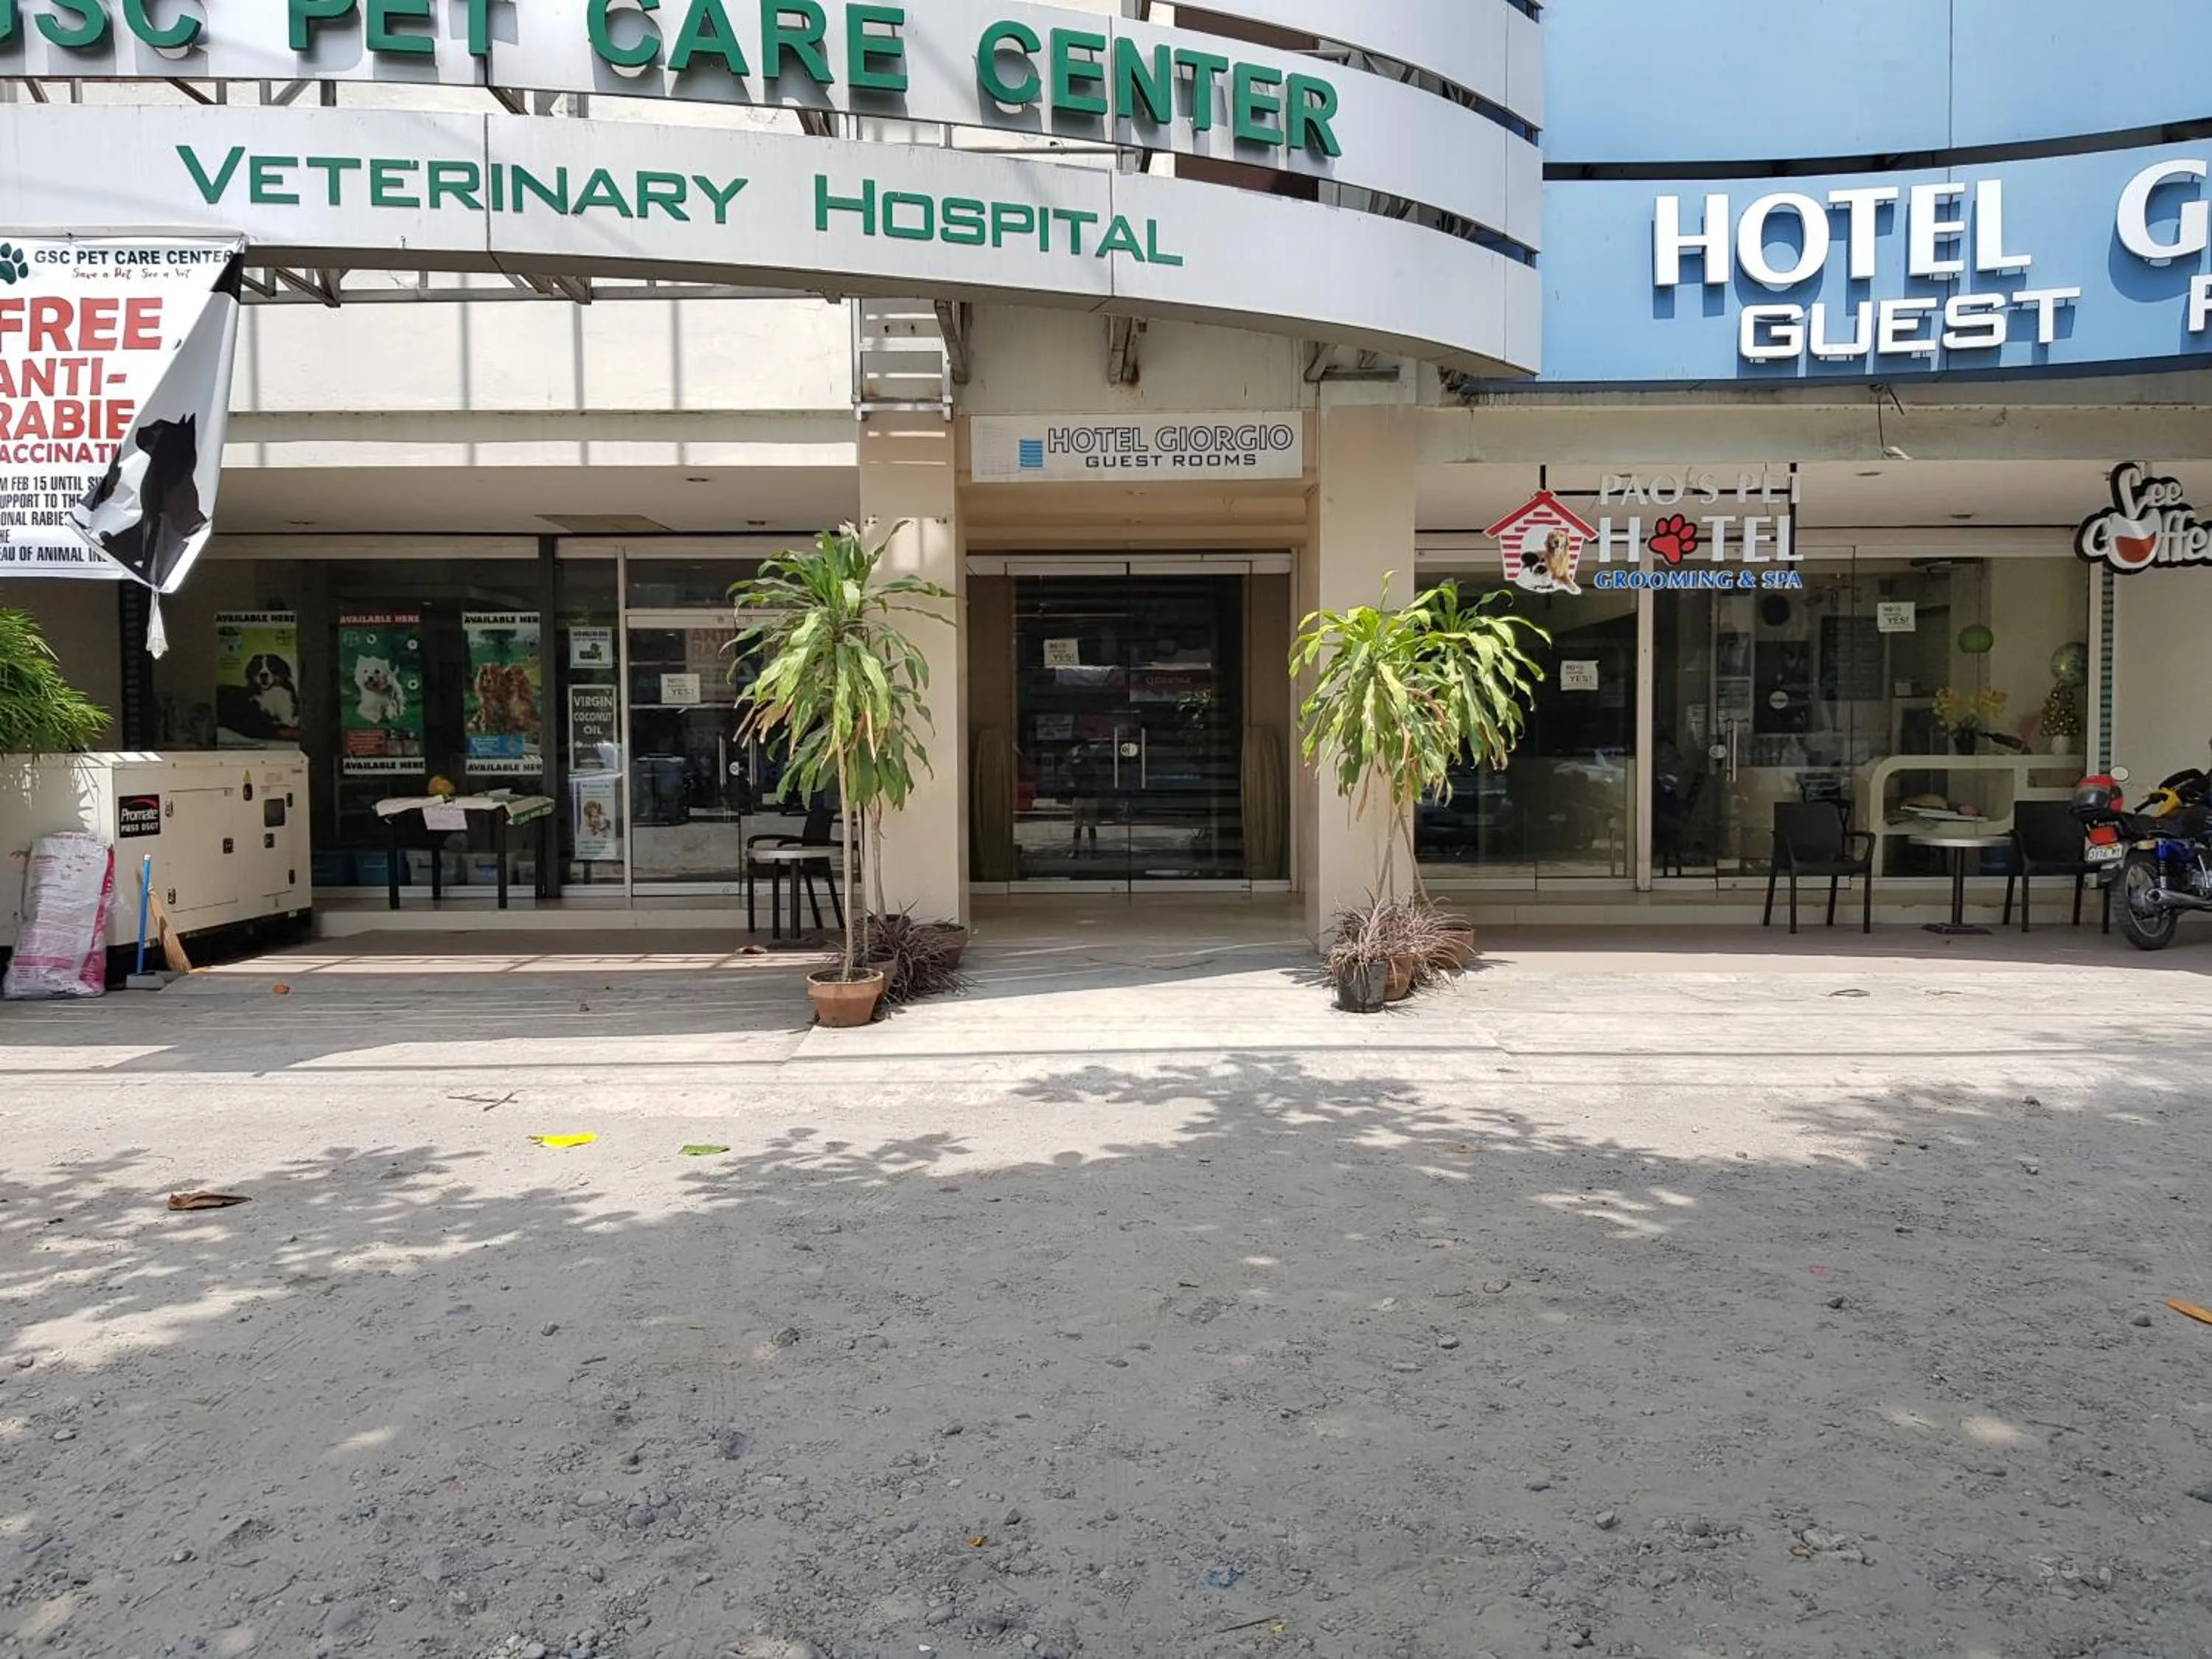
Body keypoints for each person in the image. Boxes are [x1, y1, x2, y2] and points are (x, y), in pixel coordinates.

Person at [1066, 742, 1103, 857]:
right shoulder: (1091, 764)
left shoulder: (1079, 763)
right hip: (1087, 797)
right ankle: (1090, 851)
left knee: (1081, 826)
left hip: (1083, 797)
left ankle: (1078, 850)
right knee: (1087, 827)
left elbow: (1070, 767)